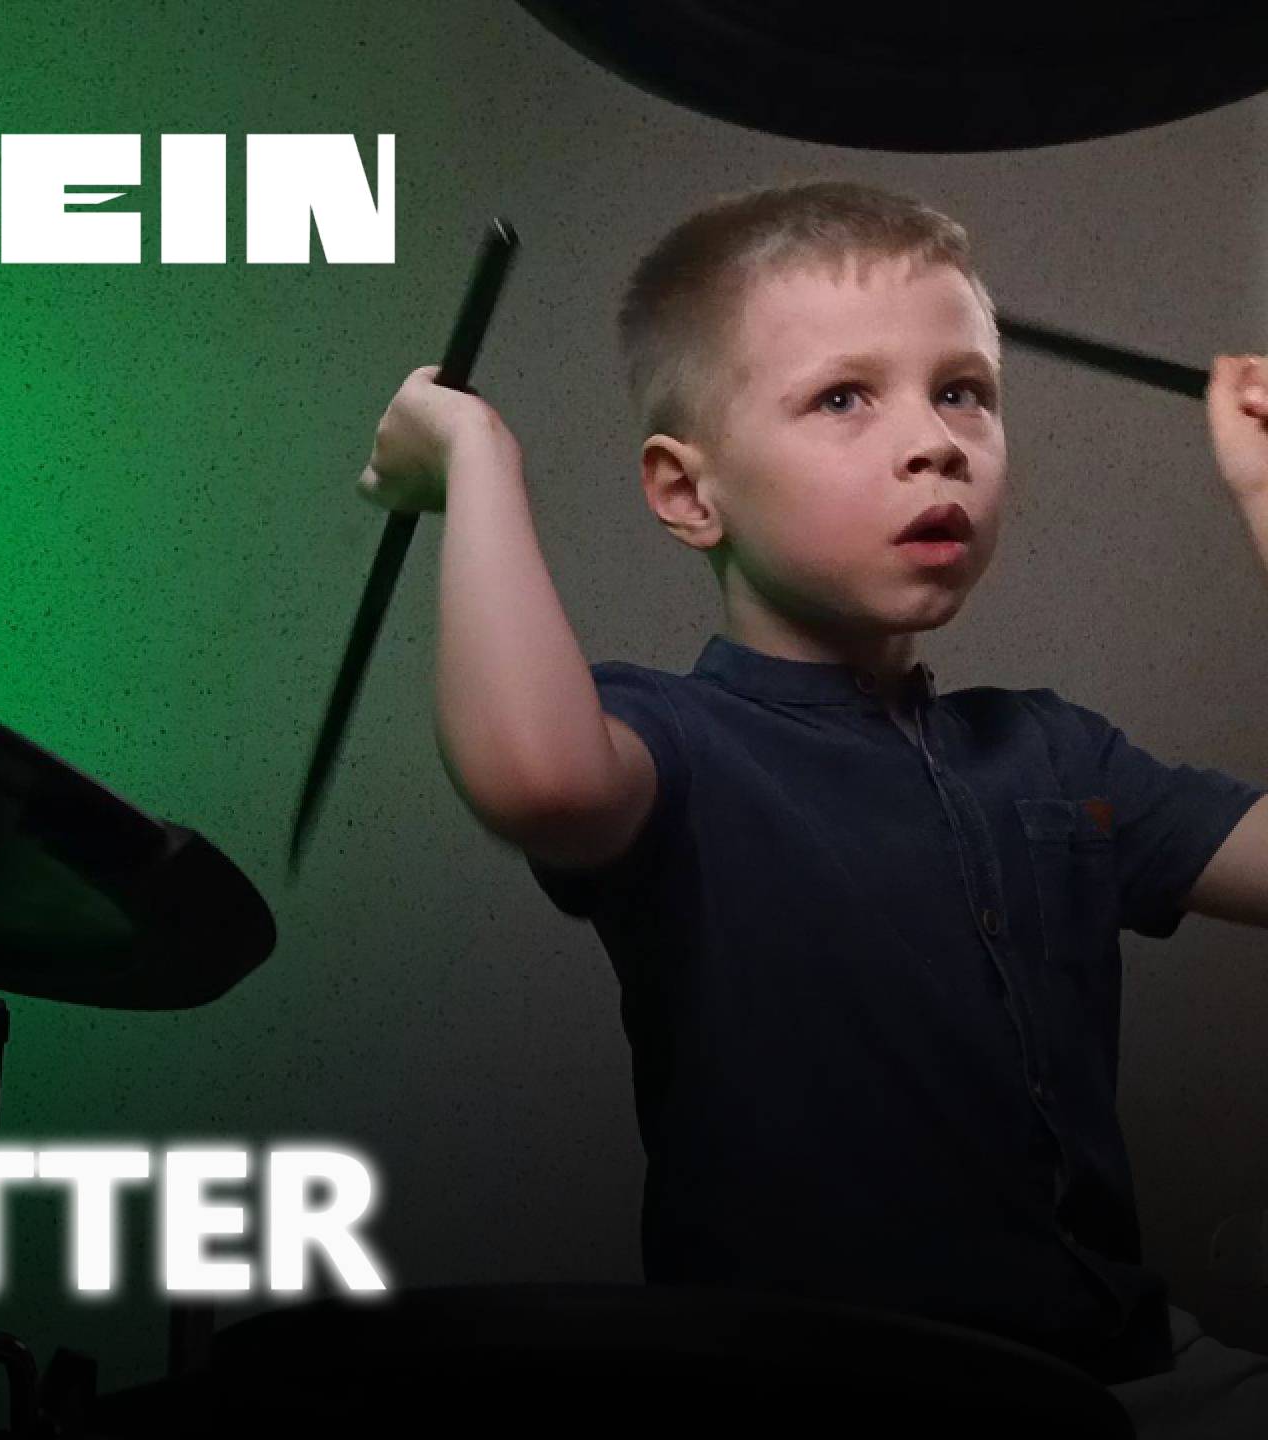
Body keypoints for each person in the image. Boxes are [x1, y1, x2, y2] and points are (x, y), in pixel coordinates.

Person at [355, 180, 1268, 1436]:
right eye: (844, 398)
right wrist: (474, 463)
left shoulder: (1058, 754)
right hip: (809, 1395)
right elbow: (538, 779)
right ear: (688, 495)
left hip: (1120, 1380)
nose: (935, 442)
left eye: (964, 390)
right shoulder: (669, 742)